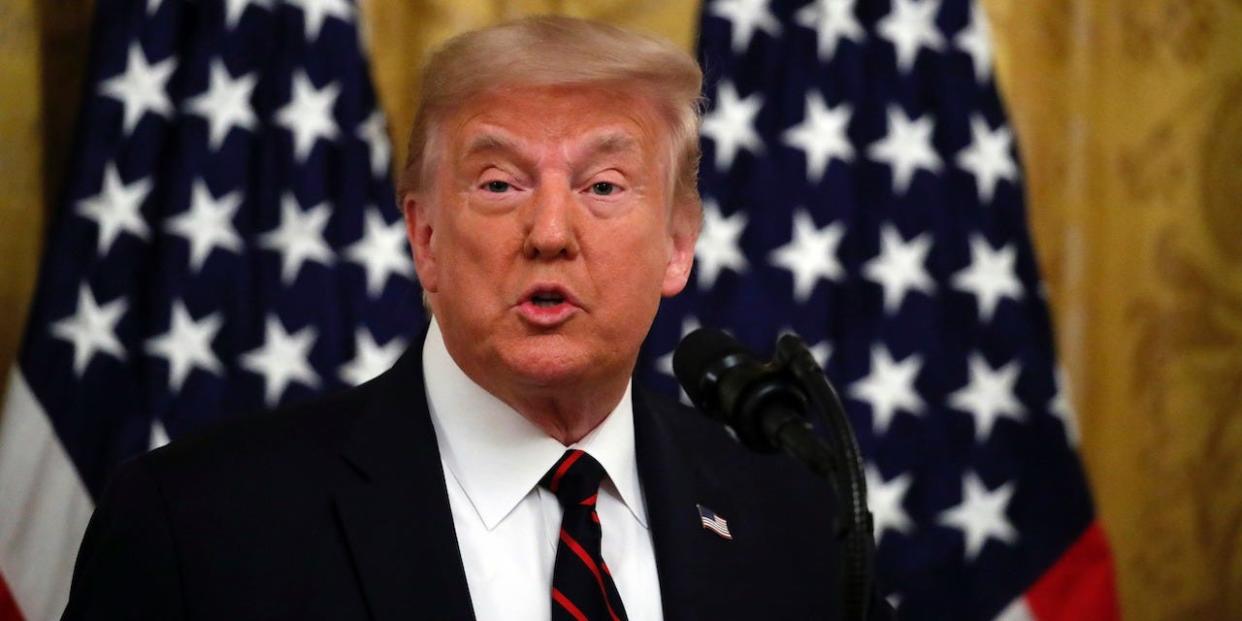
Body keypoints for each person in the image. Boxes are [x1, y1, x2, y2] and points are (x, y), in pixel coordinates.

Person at [62, 16, 891, 620]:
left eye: (604, 186)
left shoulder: (787, 525)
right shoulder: (198, 527)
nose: (551, 233)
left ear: (678, 244)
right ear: (424, 237)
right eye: (500, 183)